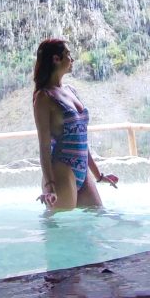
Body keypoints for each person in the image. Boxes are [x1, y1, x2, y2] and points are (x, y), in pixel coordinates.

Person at [32, 38, 119, 210]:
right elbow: (44, 145)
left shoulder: (70, 90)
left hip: (82, 170)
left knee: (97, 219)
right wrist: (49, 185)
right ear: (56, 59)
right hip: (61, 170)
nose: (72, 59)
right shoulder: (43, 97)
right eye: (68, 54)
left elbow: (80, 140)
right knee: (60, 229)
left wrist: (98, 175)